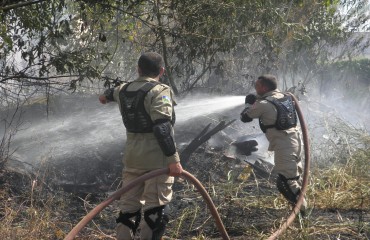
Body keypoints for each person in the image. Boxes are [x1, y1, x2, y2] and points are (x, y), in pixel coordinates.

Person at [99, 52, 183, 239]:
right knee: (156, 210)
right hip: (157, 161)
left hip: (132, 159)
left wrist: (104, 97)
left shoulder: (123, 89)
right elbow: (162, 127)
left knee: (128, 208)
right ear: (161, 70)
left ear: (138, 69)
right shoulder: (160, 91)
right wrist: (174, 160)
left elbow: (107, 94)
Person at [240, 74, 307, 215]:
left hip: (285, 145)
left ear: (264, 87)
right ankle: (299, 212)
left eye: (257, 86)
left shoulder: (264, 105)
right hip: (295, 141)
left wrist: (248, 103)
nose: (255, 88)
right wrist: (256, 99)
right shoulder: (285, 97)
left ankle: (304, 214)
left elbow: (245, 117)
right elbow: (270, 102)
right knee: (294, 180)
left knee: (286, 183)